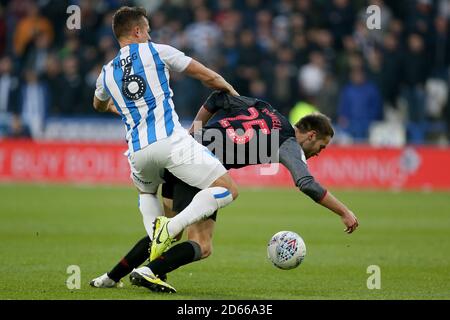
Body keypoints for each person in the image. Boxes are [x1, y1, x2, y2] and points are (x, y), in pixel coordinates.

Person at [91, 91, 359, 292]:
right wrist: (344, 212)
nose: (318, 154)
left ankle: (111, 277)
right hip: (199, 168)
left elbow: (218, 97)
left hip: (181, 151)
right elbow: (307, 184)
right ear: (311, 135)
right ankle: (149, 271)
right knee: (202, 245)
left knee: (164, 230)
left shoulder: (267, 110)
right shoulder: (289, 143)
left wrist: (195, 130)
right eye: (321, 147)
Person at [92, 7, 240, 290]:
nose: (149, 34)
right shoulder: (157, 51)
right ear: (137, 31)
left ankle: (145, 263)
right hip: (171, 143)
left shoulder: (106, 72)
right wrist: (231, 91)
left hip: (137, 153)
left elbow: (97, 104)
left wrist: (123, 110)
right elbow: (205, 75)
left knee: (147, 193)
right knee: (228, 189)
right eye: (146, 29)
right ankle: (170, 229)